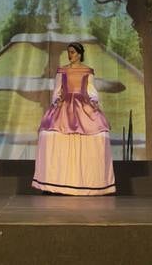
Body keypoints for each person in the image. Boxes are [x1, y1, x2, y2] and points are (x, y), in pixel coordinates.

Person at [31, 42, 115, 196]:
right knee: (50, 134)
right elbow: (57, 90)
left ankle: (87, 181)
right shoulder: (62, 70)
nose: (70, 55)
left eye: (73, 52)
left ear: (80, 54)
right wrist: (56, 102)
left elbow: (91, 90)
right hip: (65, 104)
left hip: (83, 104)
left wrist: (94, 104)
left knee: (97, 133)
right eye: (69, 52)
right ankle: (56, 181)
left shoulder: (87, 71)